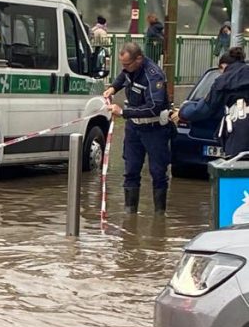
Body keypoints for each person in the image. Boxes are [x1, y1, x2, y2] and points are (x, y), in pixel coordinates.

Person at [103, 42, 171, 214]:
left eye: (127, 64)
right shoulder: (129, 70)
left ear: (138, 59)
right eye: (122, 64)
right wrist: (113, 88)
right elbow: (123, 77)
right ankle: (130, 213)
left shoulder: (154, 76)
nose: (124, 68)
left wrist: (123, 112)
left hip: (155, 129)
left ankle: (159, 215)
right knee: (131, 169)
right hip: (134, 129)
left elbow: (153, 107)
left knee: (158, 172)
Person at [175, 47, 249, 157]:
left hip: (241, 130)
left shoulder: (224, 80)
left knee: (237, 167)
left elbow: (205, 109)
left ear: (223, 66)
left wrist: (182, 112)